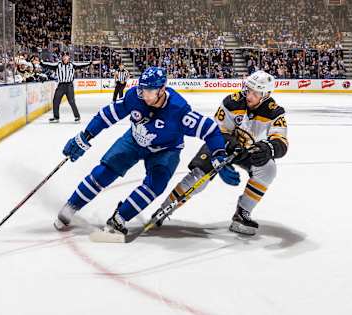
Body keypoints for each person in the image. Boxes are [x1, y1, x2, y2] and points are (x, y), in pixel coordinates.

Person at [53, 67, 240, 240]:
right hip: (133, 140)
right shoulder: (135, 96)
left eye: (150, 91)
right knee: (105, 171)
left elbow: (210, 130)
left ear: (162, 89)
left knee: (155, 185)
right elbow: (108, 115)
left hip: (165, 150)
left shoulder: (179, 110)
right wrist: (86, 135)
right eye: (142, 89)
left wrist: (218, 154)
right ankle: (72, 206)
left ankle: (120, 217)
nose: (145, 95)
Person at [155, 70, 288, 236]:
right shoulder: (232, 102)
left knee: (268, 169)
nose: (249, 95)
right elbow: (216, 131)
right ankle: (166, 208)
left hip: (247, 152)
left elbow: (281, 141)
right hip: (220, 146)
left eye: (255, 93)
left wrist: (268, 148)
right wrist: (231, 145)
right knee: (200, 176)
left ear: (266, 94)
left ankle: (242, 214)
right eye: (248, 89)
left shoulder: (275, 112)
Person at [43, 54, 100, 123]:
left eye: (66, 57)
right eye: (64, 57)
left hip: (69, 85)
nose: (65, 58)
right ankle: (56, 117)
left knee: (72, 102)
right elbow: (48, 65)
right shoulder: (58, 65)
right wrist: (40, 63)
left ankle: (77, 117)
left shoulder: (72, 65)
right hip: (61, 85)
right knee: (56, 101)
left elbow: (82, 64)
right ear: (62, 58)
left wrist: (90, 63)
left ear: (68, 58)